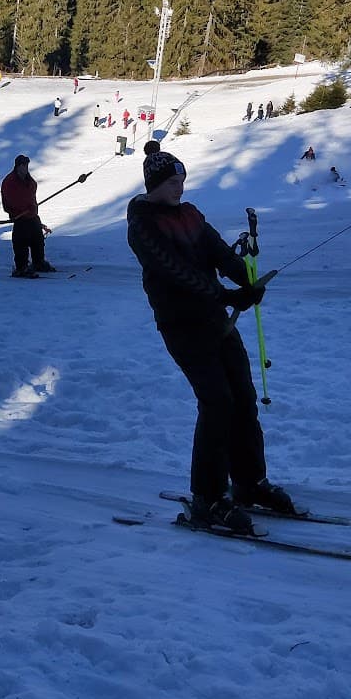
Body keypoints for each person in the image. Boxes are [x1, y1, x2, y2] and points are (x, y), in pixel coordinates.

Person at [125, 145, 294, 534]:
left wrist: (245, 281)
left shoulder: (190, 214)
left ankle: (249, 483)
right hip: (182, 325)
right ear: (154, 184)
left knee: (242, 395)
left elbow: (218, 251)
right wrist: (226, 295)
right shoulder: (143, 225)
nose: (179, 188)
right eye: (172, 182)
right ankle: (208, 497)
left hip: (215, 319)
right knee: (217, 402)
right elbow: (175, 272)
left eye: (182, 180)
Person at [0, 154, 54, 278]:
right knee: (21, 243)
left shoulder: (29, 180)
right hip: (20, 217)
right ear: (18, 166)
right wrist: (21, 210)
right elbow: (9, 201)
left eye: (27, 165)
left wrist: (32, 208)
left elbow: (32, 191)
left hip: (32, 215)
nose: (26, 168)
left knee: (38, 241)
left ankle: (38, 262)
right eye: (24, 165)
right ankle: (21, 267)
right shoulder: (10, 182)